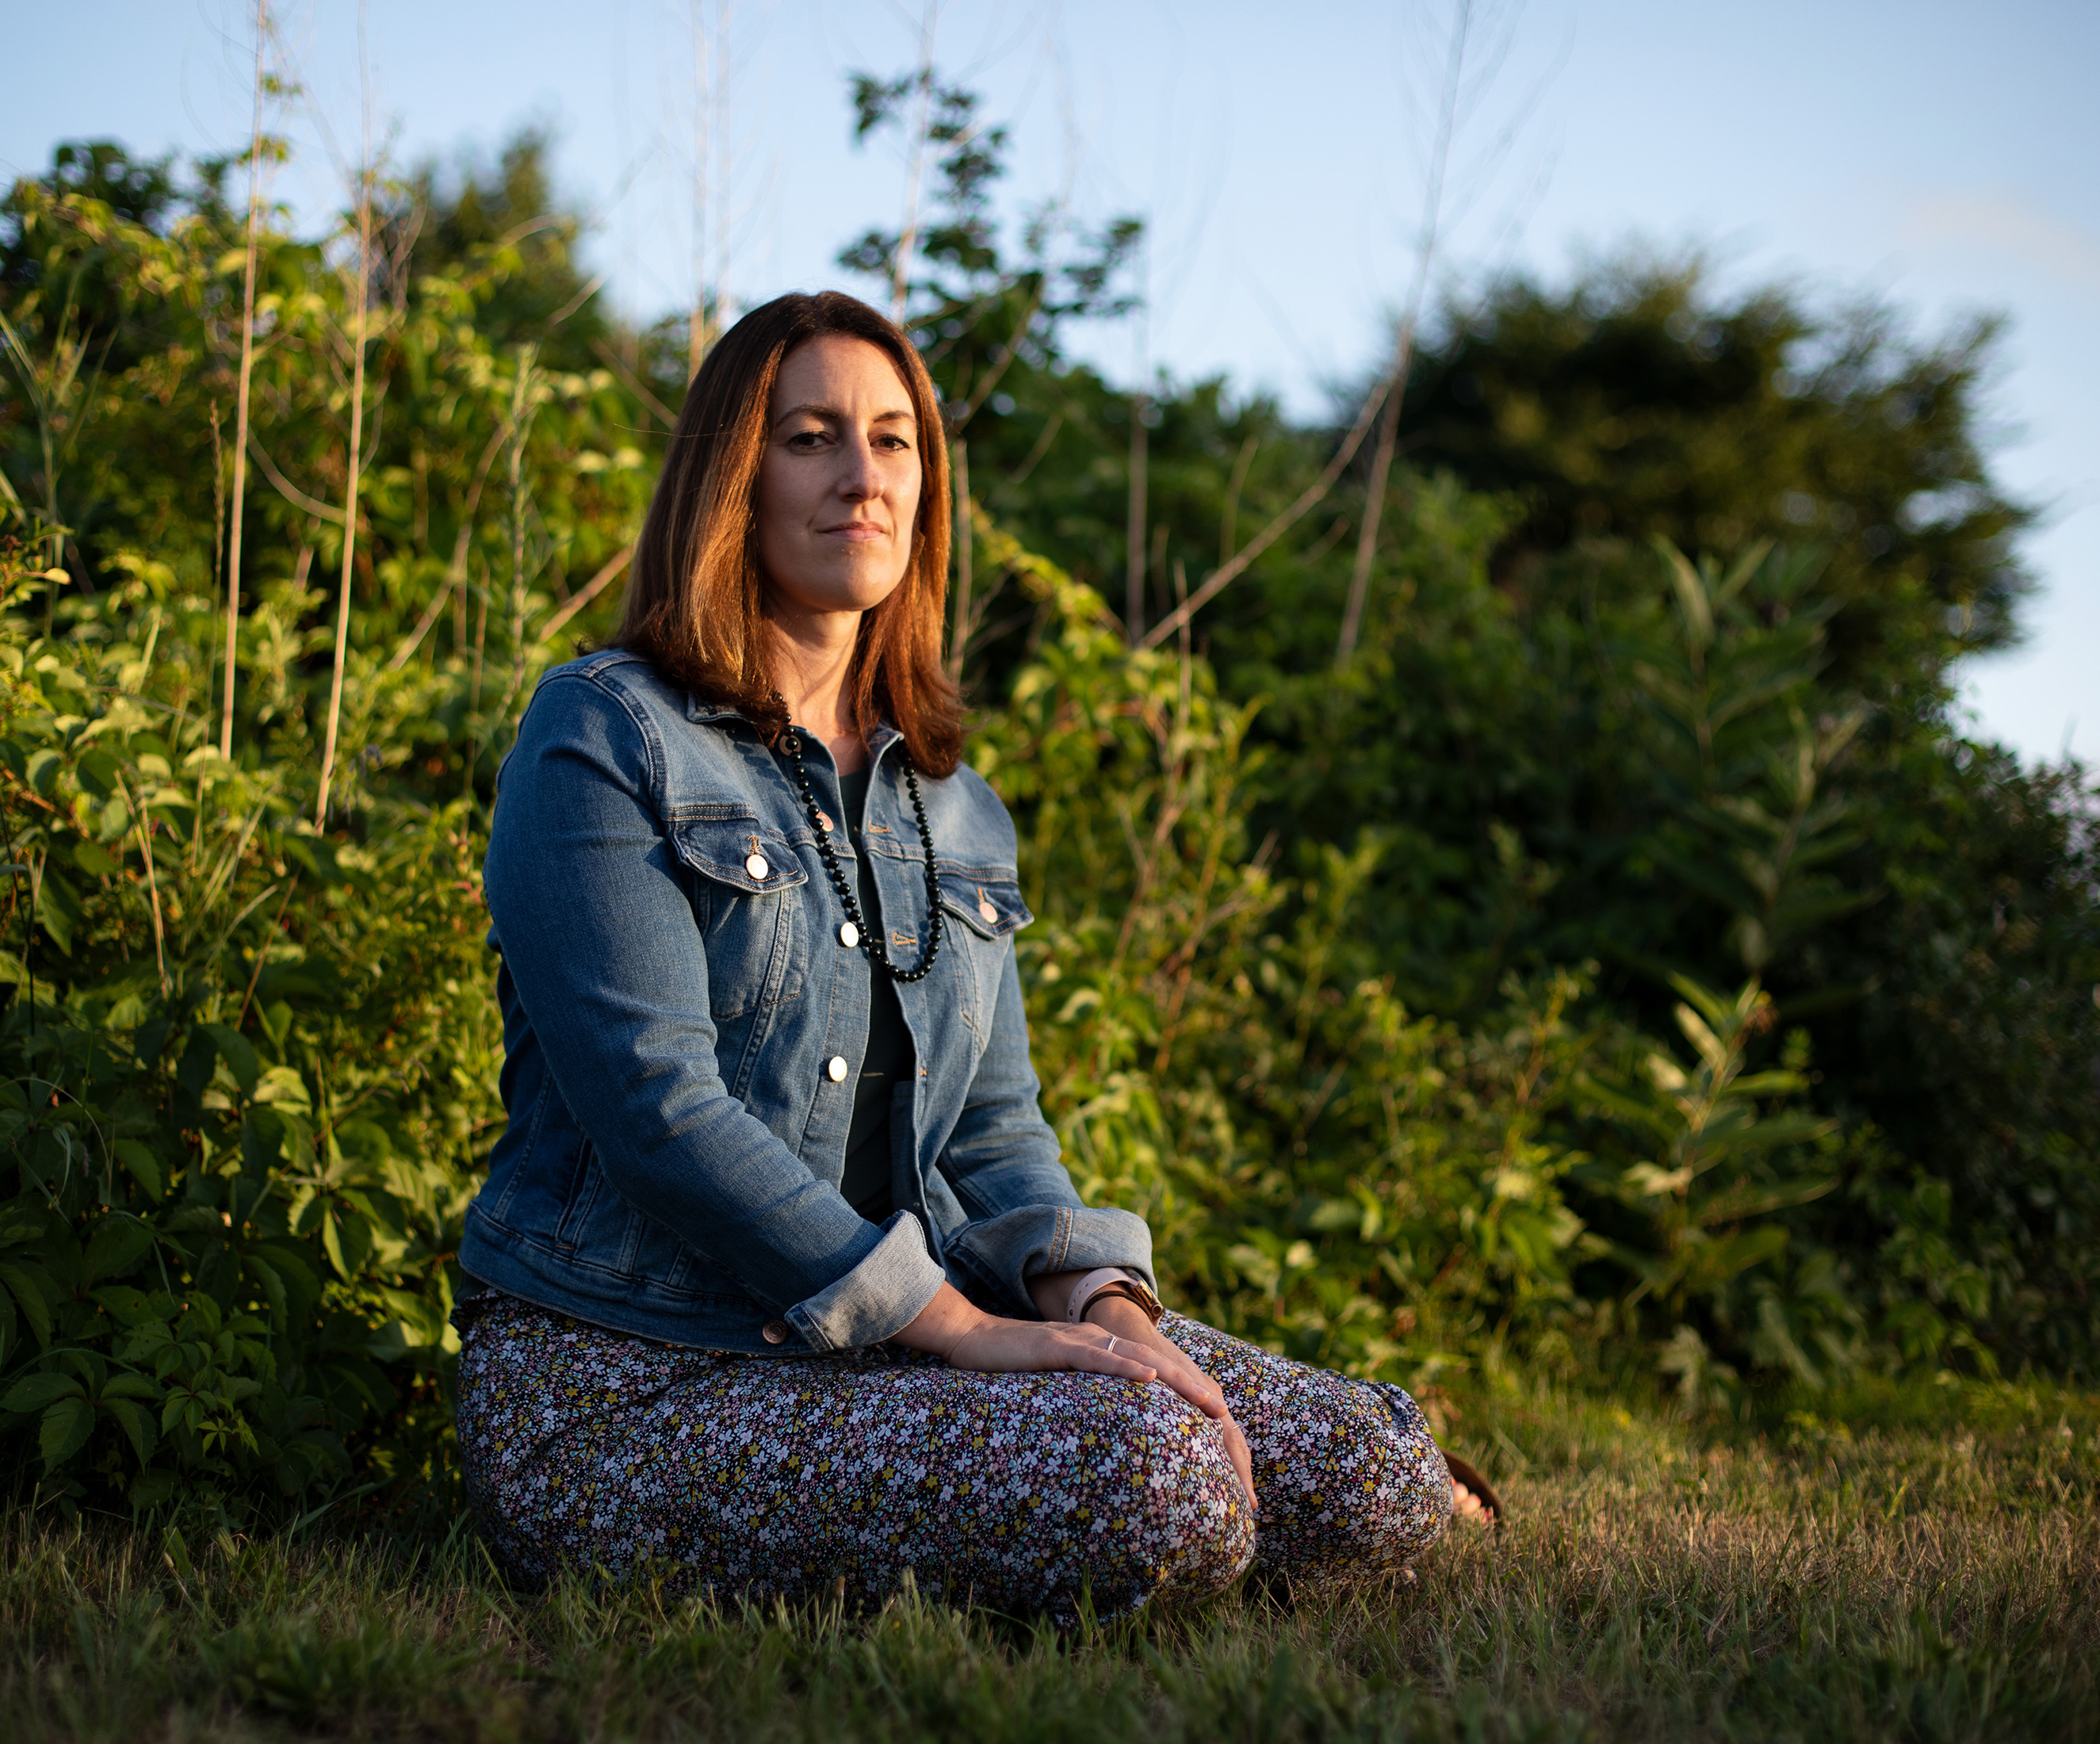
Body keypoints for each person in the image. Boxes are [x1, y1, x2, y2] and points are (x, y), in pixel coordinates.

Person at [456, 289, 1486, 1623]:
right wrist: (970, 1332)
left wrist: (1107, 1312)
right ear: (733, 476)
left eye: (894, 441)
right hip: (637, 1371)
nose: (862, 478)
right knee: (1159, 1486)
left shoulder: (951, 801)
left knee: (1372, 1475)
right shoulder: (605, 736)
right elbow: (660, 1106)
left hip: (888, 1355)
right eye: (811, 437)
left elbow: (996, 1130)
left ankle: (1139, 1456)